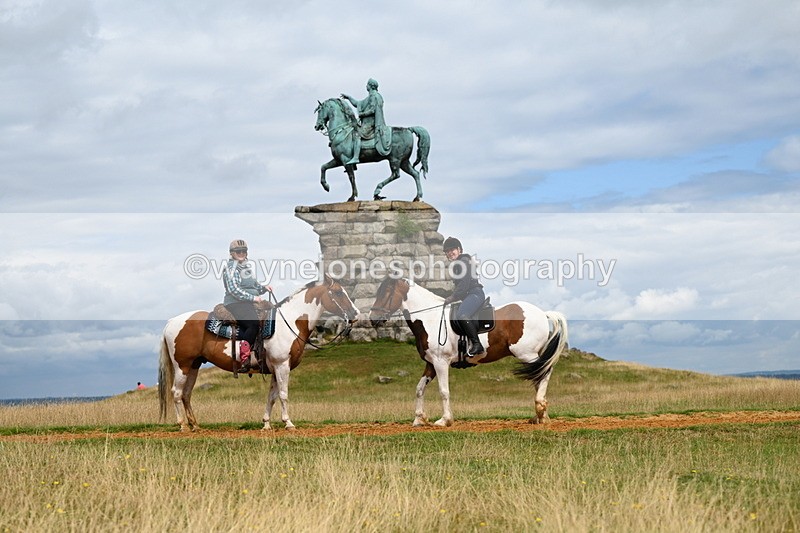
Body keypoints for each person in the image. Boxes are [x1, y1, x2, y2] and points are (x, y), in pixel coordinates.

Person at [222, 239, 272, 365]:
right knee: (253, 324)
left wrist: (264, 288)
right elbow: (234, 290)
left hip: (248, 302)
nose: (241, 253)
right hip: (235, 303)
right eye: (238, 251)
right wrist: (253, 298)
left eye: (244, 251)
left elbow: (254, 286)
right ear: (231, 253)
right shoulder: (230, 269)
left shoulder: (245, 268)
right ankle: (244, 356)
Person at [442, 237, 486, 357]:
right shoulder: (458, 263)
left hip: (474, 293)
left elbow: (464, 284)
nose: (450, 253)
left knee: (462, 315)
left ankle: (477, 344)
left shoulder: (463, 261)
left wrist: (452, 297)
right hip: (468, 295)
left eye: (452, 250)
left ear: (459, 250)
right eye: (447, 251)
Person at [340, 78, 391, 164]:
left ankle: (356, 157)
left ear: (370, 86)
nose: (366, 86)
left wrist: (362, 114)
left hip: (371, 124)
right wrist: (349, 98)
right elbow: (358, 103)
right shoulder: (370, 96)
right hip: (367, 123)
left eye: (367, 84)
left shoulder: (374, 96)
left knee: (356, 134)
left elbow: (372, 110)